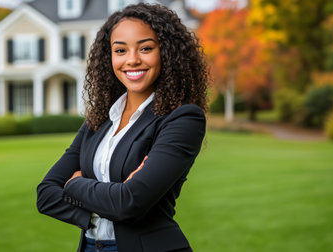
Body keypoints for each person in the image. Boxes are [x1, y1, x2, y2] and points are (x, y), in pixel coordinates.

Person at [37, 3, 208, 252]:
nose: (132, 60)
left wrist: (74, 185)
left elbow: (129, 202)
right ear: (109, 57)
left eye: (146, 48)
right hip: (90, 247)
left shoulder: (182, 119)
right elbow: (45, 194)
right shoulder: (98, 120)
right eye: (120, 50)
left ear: (167, 53)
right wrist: (106, 204)